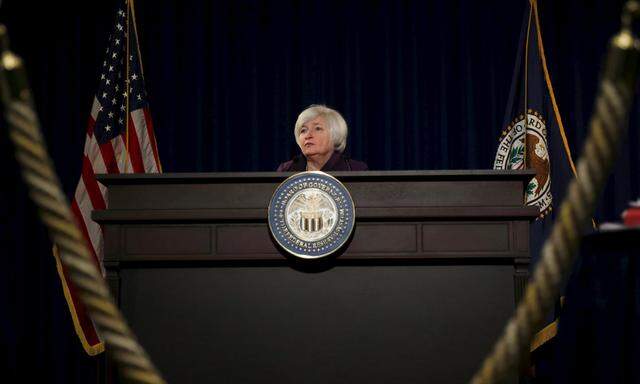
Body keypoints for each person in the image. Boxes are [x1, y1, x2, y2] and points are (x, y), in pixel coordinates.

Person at [277, 105, 368, 172]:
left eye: (318, 128)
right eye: (303, 130)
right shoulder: (287, 170)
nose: (308, 135)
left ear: (335, 135)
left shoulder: (354, 169)